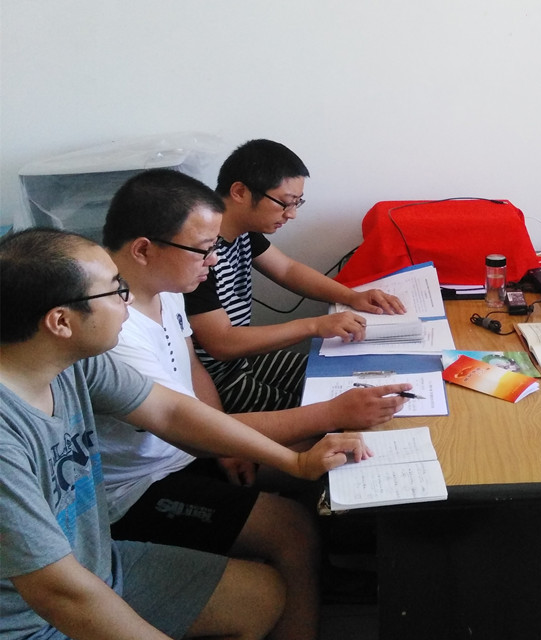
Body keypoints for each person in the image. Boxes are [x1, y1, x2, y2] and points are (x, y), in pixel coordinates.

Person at [0, 227, 371, 640]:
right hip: (31, 619)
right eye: (114, 290)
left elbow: (173, 411)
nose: (127, 300)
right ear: (61, 321)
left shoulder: (75, 362)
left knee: (262, 595)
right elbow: (60, 594)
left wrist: (295, 461)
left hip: (99, 567)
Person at [97, 169, 410, 639]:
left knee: (332, 457)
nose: (213, 260)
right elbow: (181, 424)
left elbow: (192, 371)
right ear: (143, 249)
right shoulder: (115, 334)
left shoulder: (166, 288)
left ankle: (324, 580)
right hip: (137, 489)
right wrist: (332, 413)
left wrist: (227, 443)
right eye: (203, 249)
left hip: (188, 449)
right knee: (293, 528)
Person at [184, 139, 406, 413]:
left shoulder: (243, 231)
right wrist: (313, 326)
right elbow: (222, 343)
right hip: (218, 381)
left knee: (351, 378)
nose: (291, 215)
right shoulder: (198, 254)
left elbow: (287, 270)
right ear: (240, 192)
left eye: (297, 203)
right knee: (338, 411)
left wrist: (352, 296)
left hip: (245, 362)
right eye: (284, 203)